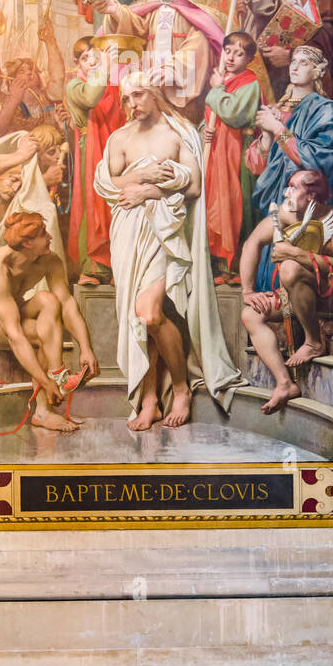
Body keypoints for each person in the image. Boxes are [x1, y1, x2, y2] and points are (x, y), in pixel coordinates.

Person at [94, 74, 243, 430]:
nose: (133, 103)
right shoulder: (120, 138)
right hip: (127, 234)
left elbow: (192, 186)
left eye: (140, 94)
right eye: (128, 97)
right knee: (137, 319)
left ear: (157, 93)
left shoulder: (178, 135)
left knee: (148, 312)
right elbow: (106, 183)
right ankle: (149, 399)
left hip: (164, 233)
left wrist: (150, 192)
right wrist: (141, 176)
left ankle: (180, 389)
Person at [83, 0, 232, 125]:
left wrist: (174, 68)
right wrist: (115, 10)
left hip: (186, 78)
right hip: (152, 75)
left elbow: (209, 33)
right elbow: (142, 27)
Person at [0, 211, 100, 434]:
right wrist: (46, 381)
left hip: (11, 313)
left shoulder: (49, 260)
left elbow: (67, 304)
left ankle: (57, 373)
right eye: (43, 234)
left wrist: (86, 348)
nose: (50, 237)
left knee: (49, 300)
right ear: (28, 243)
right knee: (39, 333)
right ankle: (44, 407)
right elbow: (15, 336)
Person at [239, 170, 333, 412]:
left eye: (293, 187)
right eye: (288, 186)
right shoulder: (286, 214)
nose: (287, 192)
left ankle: (314, 342)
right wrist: (247, 291)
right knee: (250, 314)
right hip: (296, 294)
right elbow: (252, 243)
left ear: (311, 194)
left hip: (329, 295)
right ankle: (284, 384)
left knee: (290, 268)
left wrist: (294, 254)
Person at [245, 44, 333, 293]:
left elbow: (316, 160)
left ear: (318, 71)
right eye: (293, 61)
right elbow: (257, 166)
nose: (295, 67)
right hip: (276, 201)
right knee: (270, 262)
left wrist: (277, 129)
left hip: (304, 201)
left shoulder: (327, 111)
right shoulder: (278, 110)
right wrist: (265, 135)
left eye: (304, 63)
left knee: (295, 267)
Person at [202, 31, 261, 283]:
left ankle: (239, 266)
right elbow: (211, 115)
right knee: (217, 204)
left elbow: (234, 114)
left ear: (249, 58)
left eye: (239, 53)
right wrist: (203, 130)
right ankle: (222, 267)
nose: (231, 57)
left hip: (238, 154)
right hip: (218, 152)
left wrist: (217, 90)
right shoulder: (222, 79)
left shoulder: (250, 82)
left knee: (240, 205)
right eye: (228, 51)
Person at [64, 37, 124, 284]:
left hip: (114, 150)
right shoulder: (74, 85)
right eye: (86, 58)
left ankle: (117, 265)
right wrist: (105, 67)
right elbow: (90, 99)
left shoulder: (111, 85)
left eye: (95, 56)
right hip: (90, 151)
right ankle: (94, 268)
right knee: (92, 205)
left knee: (115, 207)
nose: (92, 62)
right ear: (77, 62)